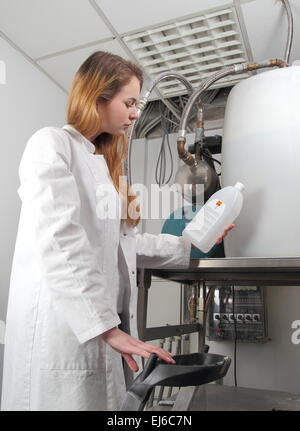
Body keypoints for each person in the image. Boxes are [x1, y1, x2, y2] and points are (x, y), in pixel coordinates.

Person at [1, 51, 233, 411]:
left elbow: (128, 243)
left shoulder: (105, 169)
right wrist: (106, 327)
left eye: (137, 104)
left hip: (103, 330)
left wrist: (193, 245)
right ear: (97, 96)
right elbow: (60, 240)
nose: (136, 113)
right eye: (129, 103)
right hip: (67, 334)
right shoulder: (50, 145)